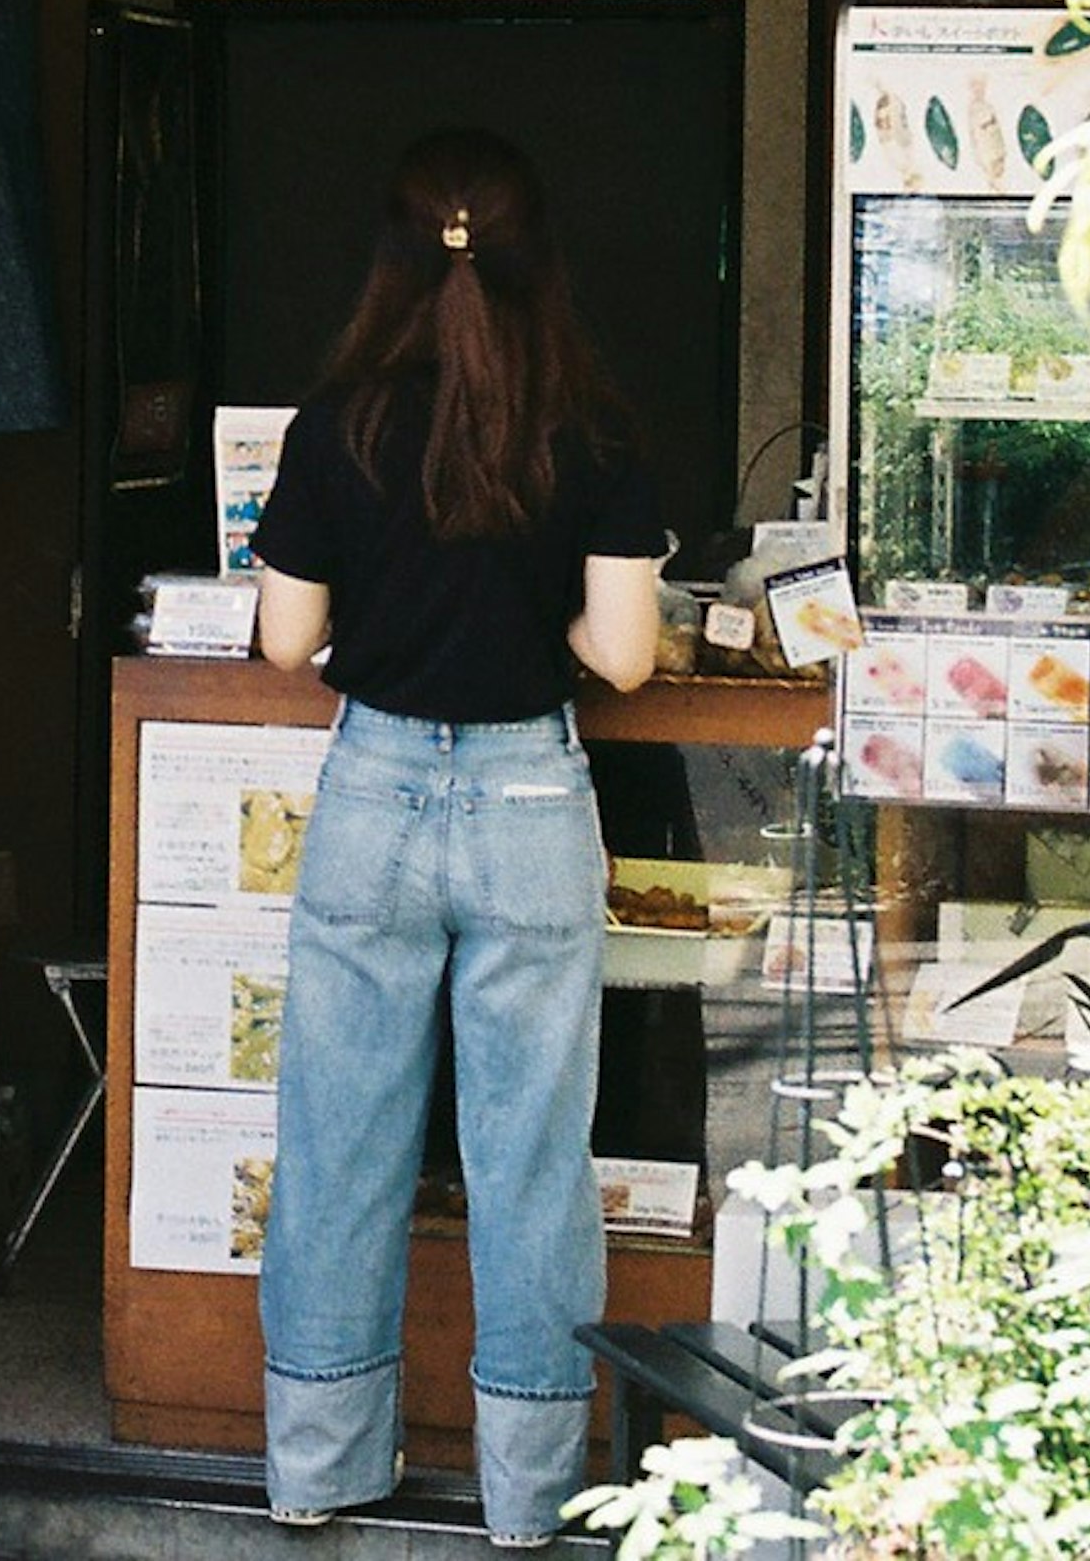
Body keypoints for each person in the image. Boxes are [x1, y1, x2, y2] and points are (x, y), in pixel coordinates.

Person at [245, 127, 663, 1548]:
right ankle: (531, 1496)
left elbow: (288, 638)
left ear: (390, 259)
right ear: (542, 255)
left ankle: (316, 1465)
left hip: (372, 796)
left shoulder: (334, 425)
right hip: (532, 803)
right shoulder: (592, 428)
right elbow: (624, 655)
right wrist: (526, 618)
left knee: (339, 1143)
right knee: (532, 1158)